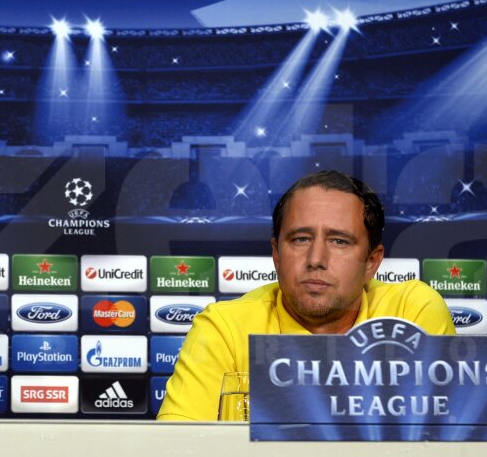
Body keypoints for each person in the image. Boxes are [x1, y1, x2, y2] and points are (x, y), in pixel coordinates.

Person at [157, 170, 455, 421]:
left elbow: (443, 451)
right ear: (276, 254)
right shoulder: (225, 329)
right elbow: (178, 455)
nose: (316, 259)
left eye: (339, 241)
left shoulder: (410, 312)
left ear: (371, 262)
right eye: (301, 239)